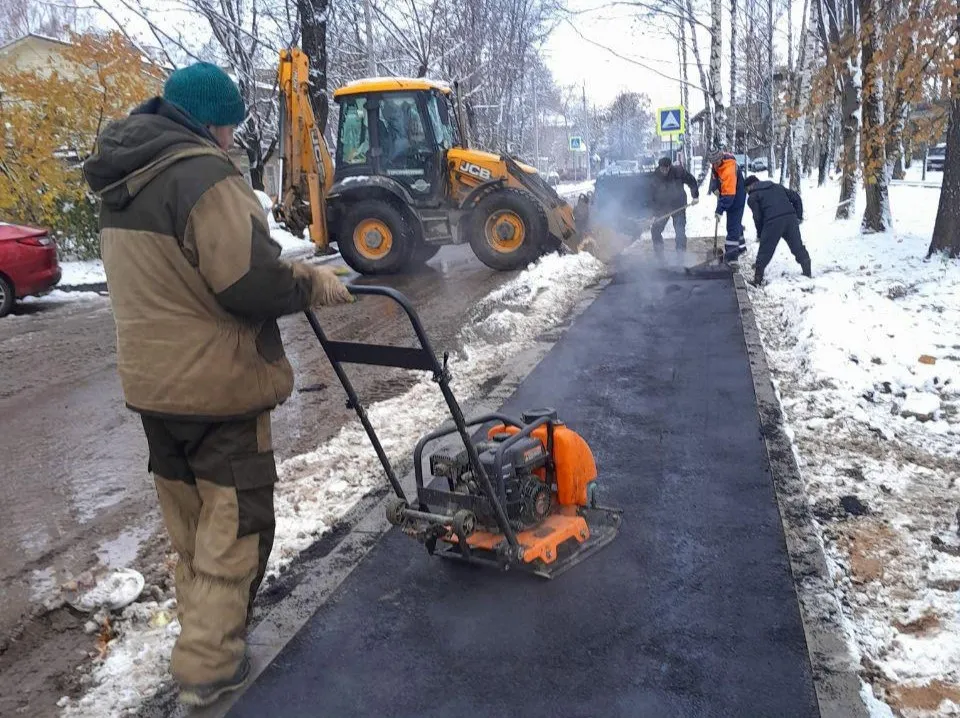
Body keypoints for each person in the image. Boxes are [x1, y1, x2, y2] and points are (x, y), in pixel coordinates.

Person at [82, 62, 354, 706]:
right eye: (229, 125)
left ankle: (206, 640)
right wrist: (308, 281)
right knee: (236, 530)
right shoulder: (202, 175)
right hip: (215, 388)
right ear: (210, 120)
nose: (233, 137)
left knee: (194, 530)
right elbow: (247, 283)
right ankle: (209, 673)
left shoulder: (125, 179)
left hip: (153, 389)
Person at [744, 174, 811, 285]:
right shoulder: (777, 186)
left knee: (765, 250)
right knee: (797, 246)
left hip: (772, 223)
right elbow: (796, 197)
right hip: (790, 219)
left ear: (750, 186)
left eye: (746, 190)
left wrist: (760, 234)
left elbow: (757, 217)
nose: (747, 193)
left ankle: (757, 280)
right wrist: (798, 216)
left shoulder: (753, 196)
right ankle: (807, 271)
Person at [650, 157, 699, 256]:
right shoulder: (655, 177)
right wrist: (654, 213)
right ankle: (659, 257)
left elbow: (692, 181)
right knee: (655, 230)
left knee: (680, 231)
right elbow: (651, 197)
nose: (664, 171)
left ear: (670, 167)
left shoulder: (678, 172)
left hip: (678, 206)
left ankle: (680, 257)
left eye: (666, 169)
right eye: (662, 169)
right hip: (663, 208)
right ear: (659, 167)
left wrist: (695, 196)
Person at [707, 149, 747, 261]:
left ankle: (731, 258)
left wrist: (719, 210)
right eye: (712, 163)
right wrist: (715, 188)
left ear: (721, 159)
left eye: (716, 163)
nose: (714, 165)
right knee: (736, 223)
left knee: (732, 226)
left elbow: (729, 195)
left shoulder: (729, 169)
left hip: (736, 198)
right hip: (728, 194)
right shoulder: (717, 164)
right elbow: (715, 176)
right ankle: (741, 247)